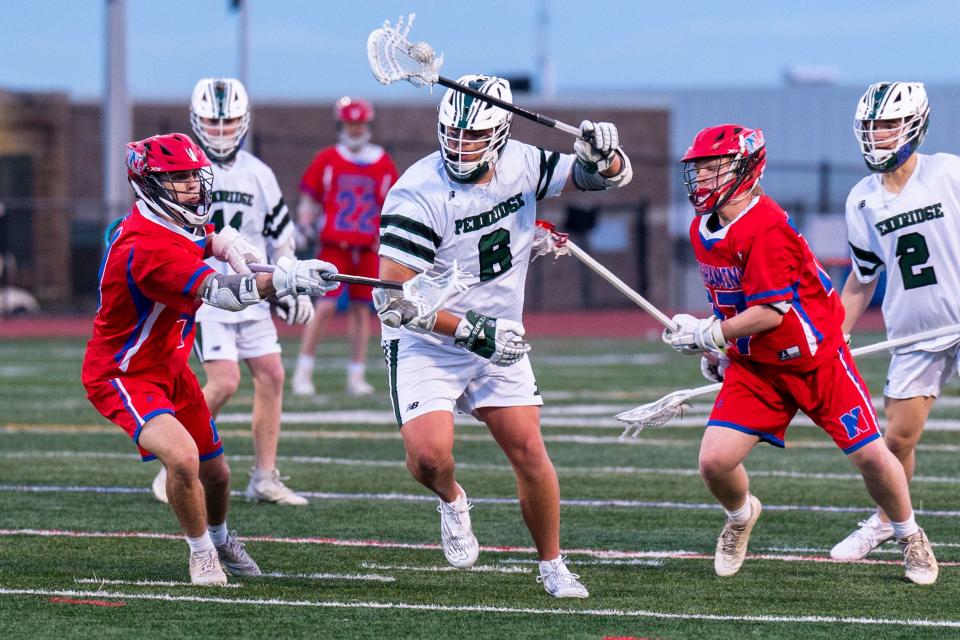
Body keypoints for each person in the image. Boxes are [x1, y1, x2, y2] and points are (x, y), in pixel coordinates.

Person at [372, 75, 633, 598]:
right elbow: (392, 300)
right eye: (451, 133)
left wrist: (606, 154)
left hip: (500, 337)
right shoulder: (416, 192)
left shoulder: (523, 161)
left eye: (472, 137)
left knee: (529, 449)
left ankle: (553, 564)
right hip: (432, 338)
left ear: (502, 134)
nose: (459, 145)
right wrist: (468, 329)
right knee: (428, 457)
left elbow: (608, 179)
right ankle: (451, 499)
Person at [662, 123, 938, 584]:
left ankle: (910, 535)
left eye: (714, 169)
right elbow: (731, 299)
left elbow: (770, 311)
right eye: (700, 170)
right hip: (759, 368)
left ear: (747, 170)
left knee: (871, 455)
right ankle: (740, 515)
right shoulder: (702, 228)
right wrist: (723, 350)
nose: (704, 179)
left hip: (814, 360)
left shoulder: (765, 226)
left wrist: (711, 335)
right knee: (714, 461)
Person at [82, 133, 338, 585]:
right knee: (182, 460)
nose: (192, 187)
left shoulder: (170, 223)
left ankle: (220, 537)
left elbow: (202, 238)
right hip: (124, 372)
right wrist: (286, 278)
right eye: (178, 179)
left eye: (192, 176)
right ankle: (201, 553)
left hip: (170, 366)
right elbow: (224, 294)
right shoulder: (146, 248)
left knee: (217, 474)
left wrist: (223, 243)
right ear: (149, 184)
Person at [149, 77, 312, 507]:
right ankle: (174, 462)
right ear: (195, 121)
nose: (220, 129)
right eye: (212, 121)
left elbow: (281, 237)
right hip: (206, 293)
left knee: (273, 375)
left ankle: (264, 477)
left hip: (252, 294)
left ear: (244, 122)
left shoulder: (259, 174)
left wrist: (292, 284)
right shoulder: (181, 174)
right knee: (223, 382)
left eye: (229, 121)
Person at [831, 82, 960, 561]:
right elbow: (862, 280)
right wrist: (836, 331)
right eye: (872, 126)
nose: (878, 135)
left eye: (887, 125)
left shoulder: (948, 172)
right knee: (897, 438)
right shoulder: (862, 200)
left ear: (915, 125)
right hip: (913, 332)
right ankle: (887, 521)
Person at [291, 97, 399, 397]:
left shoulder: (382, 162)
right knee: (324, 308)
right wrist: (304, 225)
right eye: (351, 125)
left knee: (362, 312)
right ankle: (303, 369)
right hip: (334, 245)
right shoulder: (327, 159)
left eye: (359, 124)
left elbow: (392, 205)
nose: (355, 130)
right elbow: (310, 200)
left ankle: (356, 374)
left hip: (366, 247)